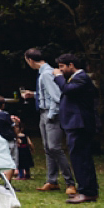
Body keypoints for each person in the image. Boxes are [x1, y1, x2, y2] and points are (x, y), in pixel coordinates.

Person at [21, 48, 76, 195]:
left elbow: (57, 96)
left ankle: (70, 182)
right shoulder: (44, 73)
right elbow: (48, 93)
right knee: (47, 148)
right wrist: (33, 95)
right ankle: (51, 181)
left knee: (54, 148)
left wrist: (51, 115)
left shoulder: (46, 74)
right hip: (44, 113)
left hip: (51, 114)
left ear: (30, 60)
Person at [57, 53, 99, 204]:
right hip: (75, 123)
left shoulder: (81, 78)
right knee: (79, 157)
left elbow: (68, 90)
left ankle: (87, 191)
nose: (59, 70)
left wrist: (58, 78)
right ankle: (86, 189)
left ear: (71, 65)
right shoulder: (75, 79)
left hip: (80, 124)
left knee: (81, 158)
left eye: (62, 67)